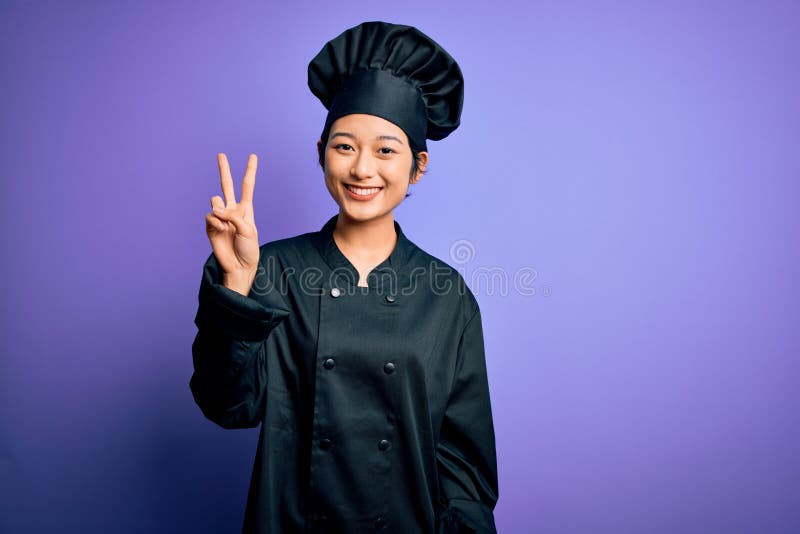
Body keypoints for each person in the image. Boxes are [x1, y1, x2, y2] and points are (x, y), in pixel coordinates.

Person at [190, 21, 499, 533]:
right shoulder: (271, 271)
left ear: (418, 167)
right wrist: (238, 284)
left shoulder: (448, 299)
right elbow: (226, 406)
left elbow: (466, 471)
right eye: (344, 146)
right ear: (320, 154)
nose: (362, 169)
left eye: (385, 149)